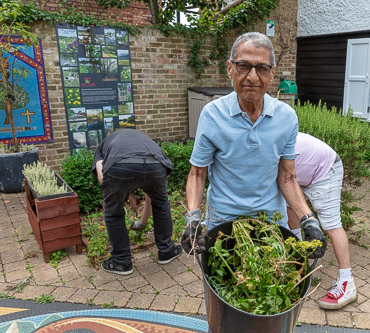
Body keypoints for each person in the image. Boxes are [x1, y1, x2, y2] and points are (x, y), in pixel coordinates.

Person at [180, 32, 326, 258]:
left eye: (261, 69)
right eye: (243, 66)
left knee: (271, 285)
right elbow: (197, 173)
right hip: (223, 223)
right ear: (230, 68)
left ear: (272, 73)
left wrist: (309, 220)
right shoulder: (212, 115)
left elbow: (287, 177)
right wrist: (193, 218)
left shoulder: (286, 117)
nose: (252, 77)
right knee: (221, 287)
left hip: (271, 222)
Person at [93, 129, 182, 275]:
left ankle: (121, 262)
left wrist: (123, 195)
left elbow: (103, 177)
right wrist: (130, 196)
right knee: (161, 205)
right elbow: (147, 190)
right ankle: (167, 251)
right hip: (156, 164)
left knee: (114, 213)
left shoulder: (103, 146)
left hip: (120, 167)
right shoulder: (142, 139)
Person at [287, 132, 357, 310]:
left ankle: (347, 283)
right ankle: (298, 262)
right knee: (290, 207)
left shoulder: (271, 141)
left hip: (324, 169)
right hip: (299, 172)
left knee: (331, 225)